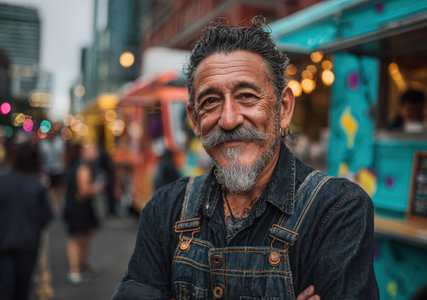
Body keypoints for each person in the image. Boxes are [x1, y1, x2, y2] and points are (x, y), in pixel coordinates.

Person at [113, 18, 378, 299]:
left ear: (283, 108)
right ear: (194, 118)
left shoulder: (336, 210)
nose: (228, 120)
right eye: (211, 101)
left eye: (247, 96)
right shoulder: (165, 209)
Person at [0, 142, 53, 300]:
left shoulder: (3, 181)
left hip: (2, 242)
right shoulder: (37, 186)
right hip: (28, 243)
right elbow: (46, 216)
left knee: (5, 286)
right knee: (23, 286)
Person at [63, 142, 104, 284]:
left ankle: (81, 266)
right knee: (76, 240)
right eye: (92, 149)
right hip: (78, 209)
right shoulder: (83, 168)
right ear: (83, 152)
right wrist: (97, 188)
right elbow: (84, 190)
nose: (95, 152)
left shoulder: (82, 166)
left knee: (84, 237)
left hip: (81, 208)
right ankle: (75, 270)